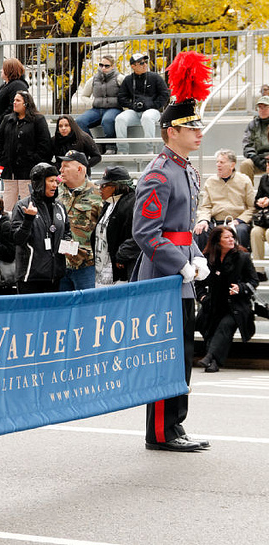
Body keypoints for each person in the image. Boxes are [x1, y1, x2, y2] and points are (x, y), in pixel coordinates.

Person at [131, 49, 213, 453]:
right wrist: (182, 265)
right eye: (190, 127)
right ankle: (161, 430)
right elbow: (147, 232)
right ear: (170, 132)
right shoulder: (159, 172)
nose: (199, 132)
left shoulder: (185, 170)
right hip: (163, 277)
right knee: (167, 356)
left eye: (198, 126)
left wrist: (196, 256)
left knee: (183, 354)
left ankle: (175, 425)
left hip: (180, 273)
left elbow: (182, 228)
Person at [195, 226, 258, 373]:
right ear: (218, 241)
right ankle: (214, 362)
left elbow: (253, 281)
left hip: (236, 306)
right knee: (207, 325)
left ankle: (209, 356)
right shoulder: (207, 258)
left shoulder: (242, 257)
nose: (231, 240)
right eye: (226, 237)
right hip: (213, 303)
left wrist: (240, 288)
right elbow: (198, 283)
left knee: (225, 326)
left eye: (232, 237)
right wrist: (203, 297)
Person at [10, 162, 66, 294]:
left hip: (55, 276)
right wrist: (28, 219)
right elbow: (17, 239)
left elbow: (66, 232)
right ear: (40, 182)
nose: (55, 185)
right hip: (30, 278)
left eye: (56, 181)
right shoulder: (22, 206)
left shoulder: (60, 207)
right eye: (51, 181)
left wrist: (68, 246)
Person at [0, 91, 53, 212]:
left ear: (26, 103)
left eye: (18, 100)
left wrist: (33, 159)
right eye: (14, 100)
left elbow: (45, 144)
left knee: (27, 201)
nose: (14, 103)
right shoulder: (8, 119)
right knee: (8, 202)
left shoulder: (38, 120)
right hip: (9, 171)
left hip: (28, 171)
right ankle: (8, 227)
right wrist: (2, 158)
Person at [57, 150, 103, 291]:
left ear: (79, 169)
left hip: (87, 265)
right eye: (61, 166)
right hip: (60, 264)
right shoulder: (55, 193)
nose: (60, 169)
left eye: (66, 166)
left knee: (87, 308)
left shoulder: (98, 194)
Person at [194, 149, 255, 251]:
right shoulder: (210, 181)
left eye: (222, 162)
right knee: (200, 230)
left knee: (241, 231)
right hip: (216, 221)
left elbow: (252, 207)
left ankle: (239, 264)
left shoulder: (244, 180)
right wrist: (203, 220)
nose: (218, 165)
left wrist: (238, 221)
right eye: (217, 162)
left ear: (232, 165)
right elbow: (206, 207)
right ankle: (202, 263)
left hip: (238, 221)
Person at [93, 166, 141, 287]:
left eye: (104, 186)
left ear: (116, 186)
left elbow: (138, 235)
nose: (100, 189)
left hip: (120, 272)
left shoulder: (132, 204)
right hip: (102, 269)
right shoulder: (108, 204)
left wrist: (122, 255)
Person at [115, 52, 170, 154]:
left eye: (145, 62)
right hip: (135, 112)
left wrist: (152, 105)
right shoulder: (128, 80)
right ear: (133, 66)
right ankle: (122, 150)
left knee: (147, 117)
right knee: (120, 119)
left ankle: (150, 150)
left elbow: (165, 94)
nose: (145, 65)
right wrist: (132, 105)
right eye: (141, 63)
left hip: (152, 111)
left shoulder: (154, 77)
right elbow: (121, 98)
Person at [75, 55, 124, 152]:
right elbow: (84, 96)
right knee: (79, 121)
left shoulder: (120, 78)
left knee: (107, 120)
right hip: (97, 109)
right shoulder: (93, 79)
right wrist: (92, 102)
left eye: (107, 66)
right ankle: (92, 146)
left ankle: (111, 146)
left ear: (113, 66)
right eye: (101, 65)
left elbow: (127, 94)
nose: (103, 68)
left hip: (114, 109)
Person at [0, 57, 28, 144]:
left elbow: (14, 106)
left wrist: (0, 121)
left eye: (3, 69)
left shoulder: (17, 85)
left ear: (9, 70)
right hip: (0, 131)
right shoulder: (5, 85)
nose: (1, 70)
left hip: (8, 131)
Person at [238, 90, 269, 182]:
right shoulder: (252, 125)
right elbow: (247, 145)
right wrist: (255, 158)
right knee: (245, 164)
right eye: (260, 107)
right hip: (258, 158)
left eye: (265, 107)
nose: (262, 110)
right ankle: (247, 194)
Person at [248, 173, 269, 260]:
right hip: (265, 220)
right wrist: (259, 202)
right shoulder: (264, 178)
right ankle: (259, 271)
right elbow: (256, 201)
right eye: (267, 164)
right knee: (255, 232)